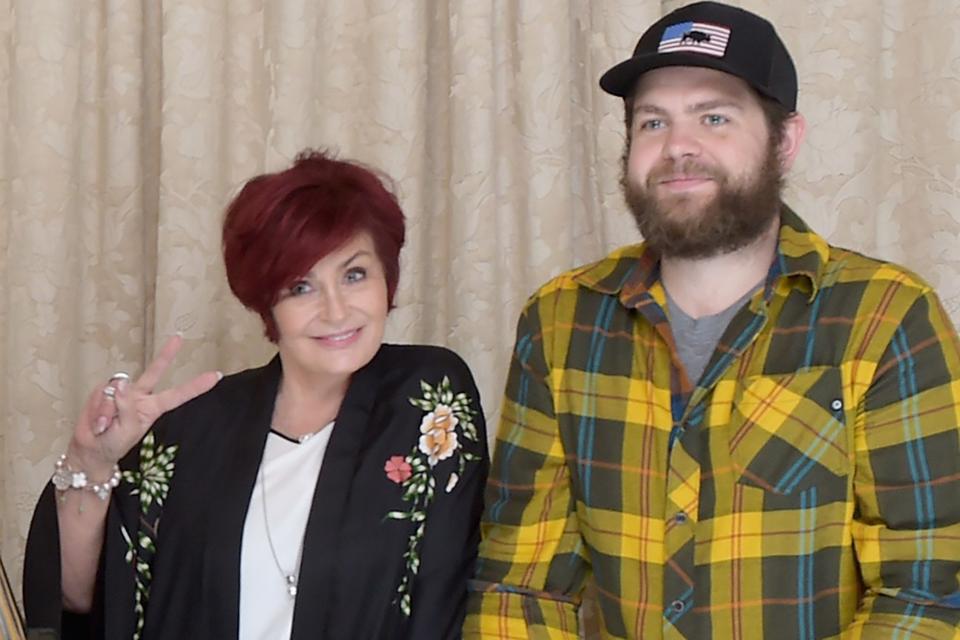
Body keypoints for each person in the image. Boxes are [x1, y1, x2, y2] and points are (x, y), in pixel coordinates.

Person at [465, 2, 960, 638]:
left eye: (714, 117)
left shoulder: (886, 317)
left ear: (785, 141)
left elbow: (927, 591)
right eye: (652, 122)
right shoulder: (561, 322)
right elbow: (521, 584)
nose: (678, 147)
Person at [23, 150, 488, 639]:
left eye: (354, 275)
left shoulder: (428, 398)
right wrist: (91, 461)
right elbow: (78, 600)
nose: (335, 310)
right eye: (301, 287)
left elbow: (445, 598)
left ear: (386, 277)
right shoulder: (192, 430)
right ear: (267, 302)